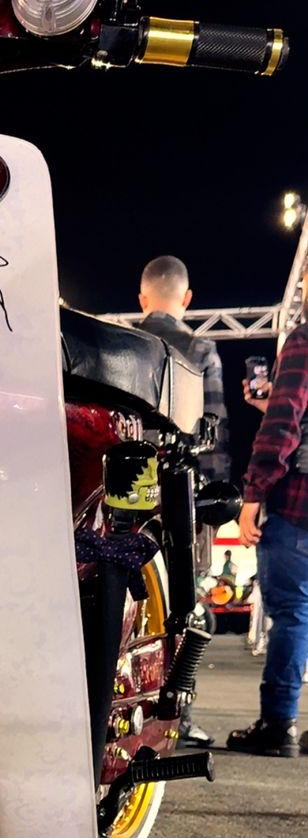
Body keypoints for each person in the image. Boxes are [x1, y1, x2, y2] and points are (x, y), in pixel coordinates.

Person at [138, 255, 233, 747]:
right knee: (184, 607)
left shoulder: (124, 343)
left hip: (126, 496)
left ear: (142, 299)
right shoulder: (201, 350)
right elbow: (212, 429)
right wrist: (217, 499)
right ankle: (177, 716)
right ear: (187, 298)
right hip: (183, 500)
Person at [226, 304, 308, 756]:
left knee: (293, 614)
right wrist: (268, 403)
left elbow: (283, 426)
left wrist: (254, 494)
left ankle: (278, 724)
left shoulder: (303, 340)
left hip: (298, 504)